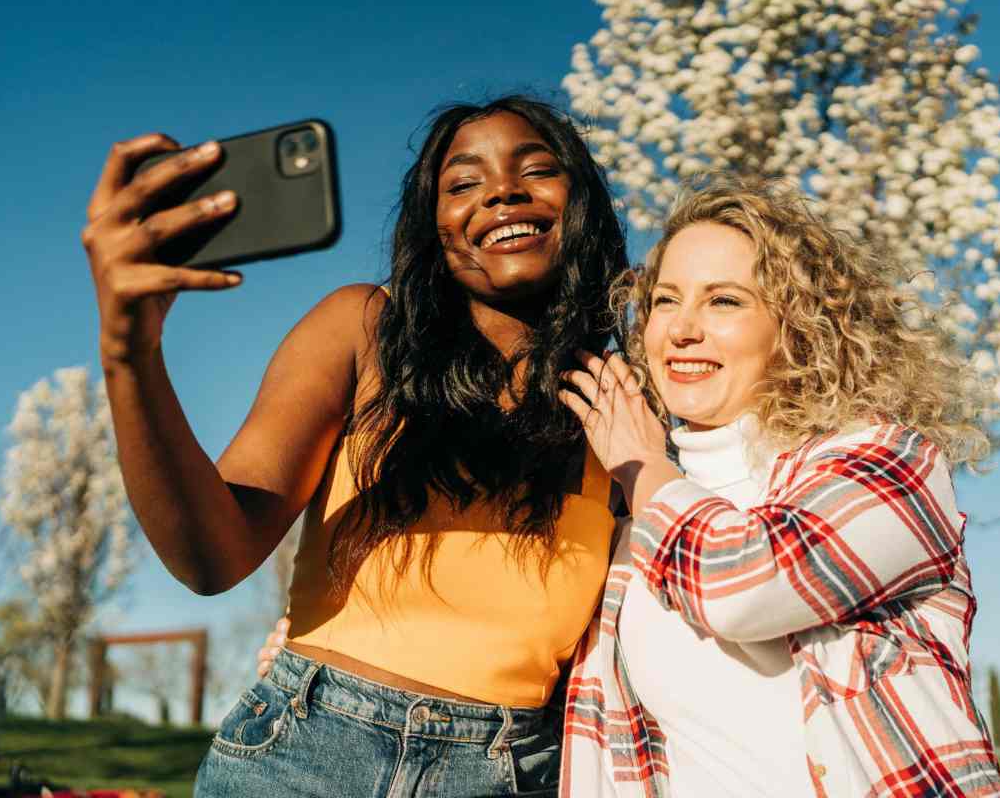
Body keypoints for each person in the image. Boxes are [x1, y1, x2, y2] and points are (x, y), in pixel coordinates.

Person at [80, 95, 628, 797]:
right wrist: (131, 353)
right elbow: (211, 558)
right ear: (433, 226)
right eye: (462, 183)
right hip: (304, 752)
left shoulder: (622, 399)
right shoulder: (363, 328)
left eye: (538, 169)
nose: (501, 191)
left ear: (581, 200)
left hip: (512, 767)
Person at [555, 175, 1000, 796]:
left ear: (796, 327)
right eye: (664, 300)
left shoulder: (890, 466)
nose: (682, 329)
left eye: (724, 301)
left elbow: (740, 584)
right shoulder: (635, 532)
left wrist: (641, 463)